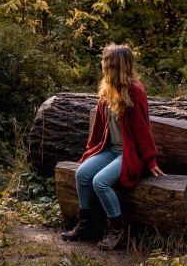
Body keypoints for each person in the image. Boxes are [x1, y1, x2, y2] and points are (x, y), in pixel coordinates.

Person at [61, 42, 165, 250]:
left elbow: (142, 128)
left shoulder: (134, 91)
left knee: (100, 182)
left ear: (119, 66)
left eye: (108, 64)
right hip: (109, 151)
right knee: (82, 173)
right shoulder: (107, 88)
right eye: (104, 62)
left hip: (128, 154)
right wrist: (90, 151)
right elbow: (99, 127)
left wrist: (150, 159)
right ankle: (86, 225)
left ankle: (117, 230)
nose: (104, 67)